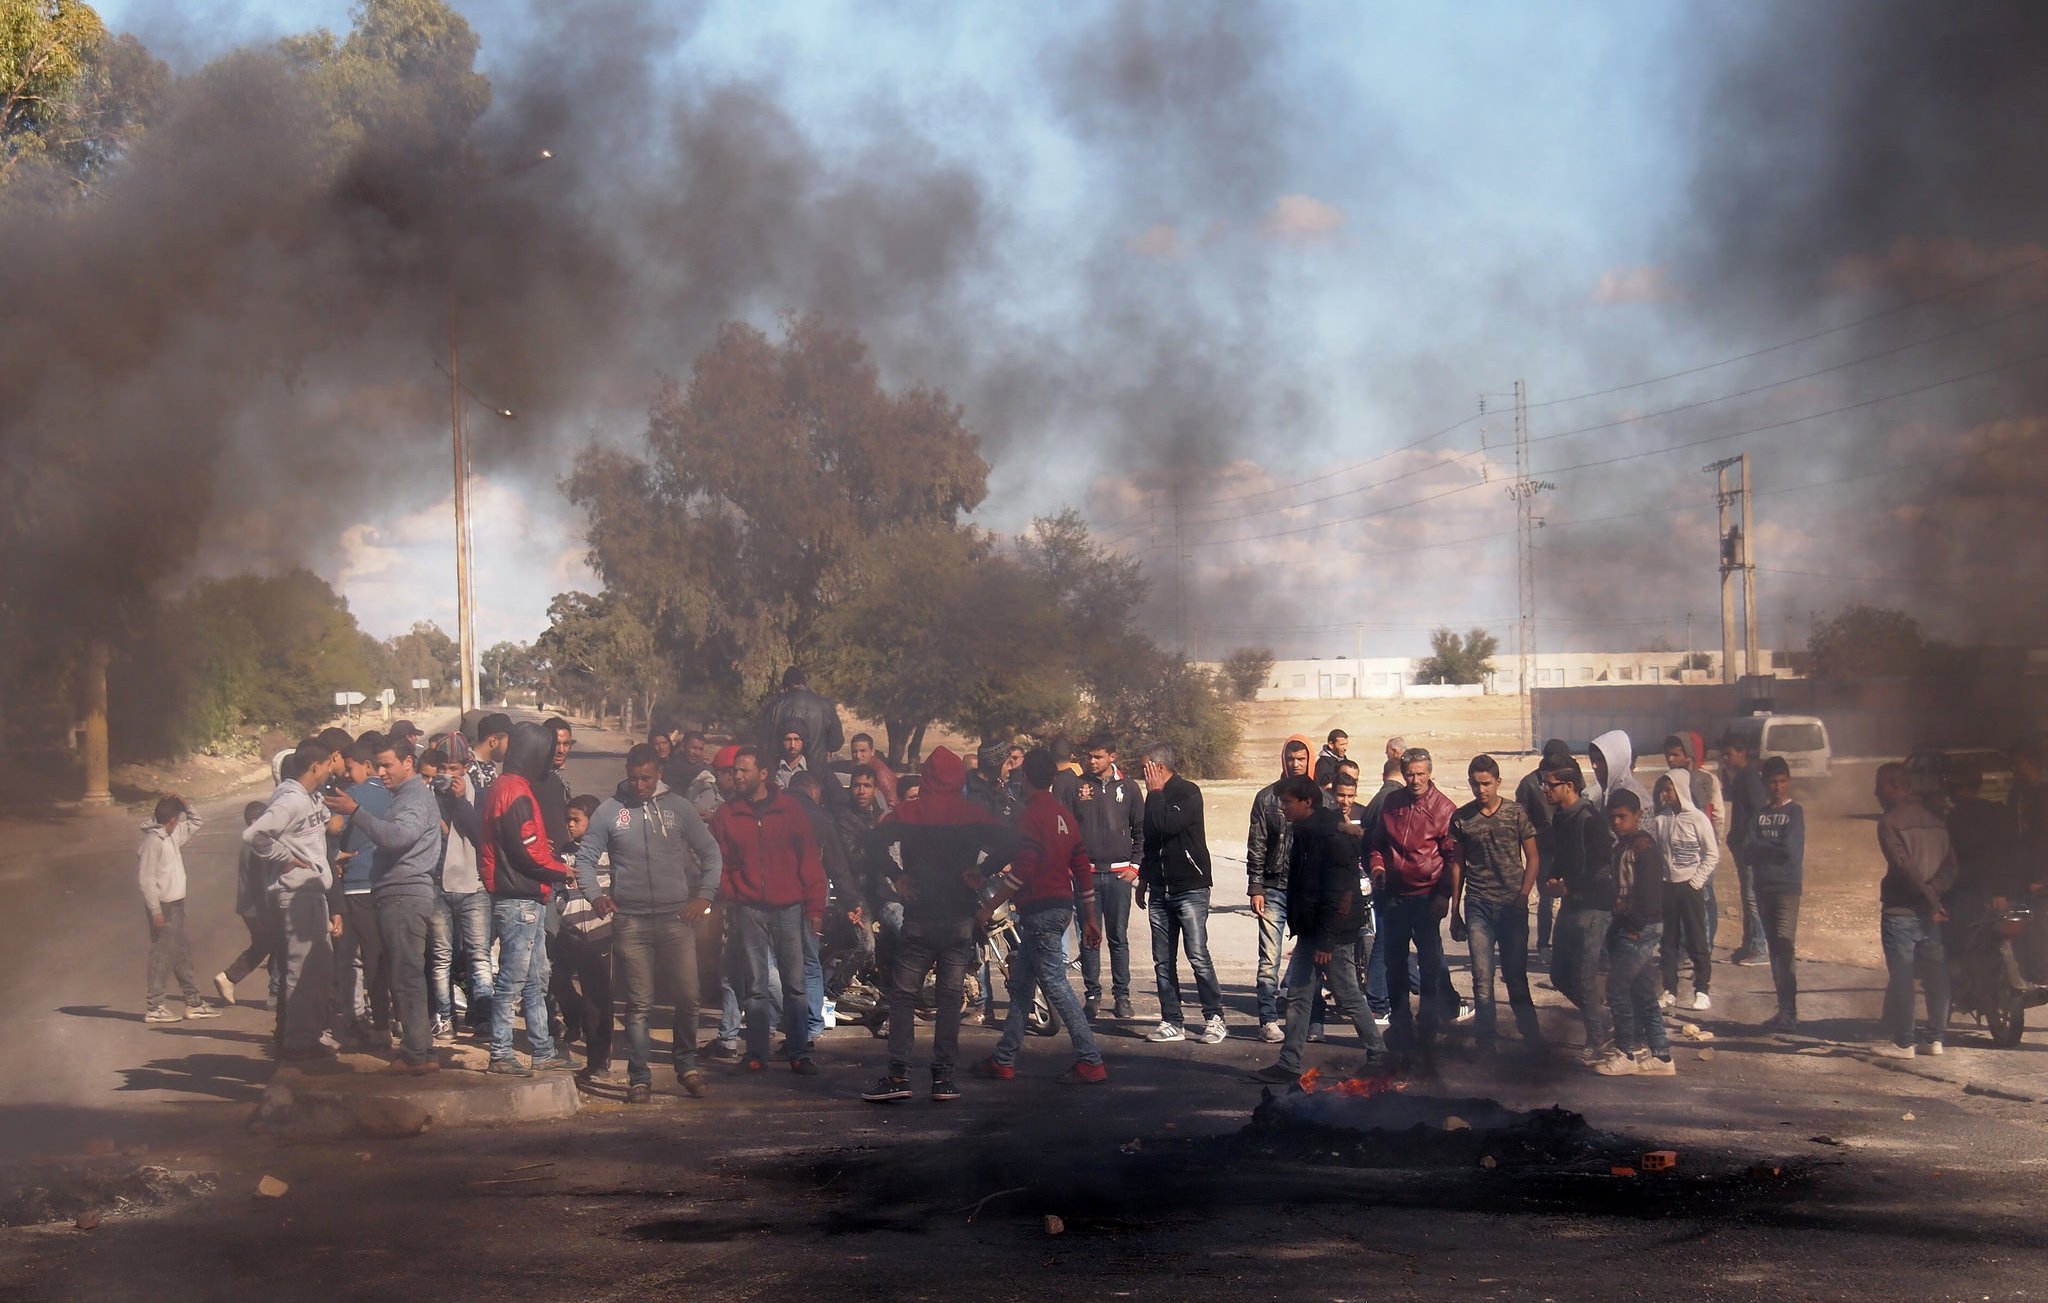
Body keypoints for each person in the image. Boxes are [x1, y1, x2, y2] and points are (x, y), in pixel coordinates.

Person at [862, 746, 1012, 1102]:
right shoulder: (973, 814)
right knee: (949, 998)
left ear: (927, 777)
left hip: (920, 916)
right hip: (959, 916)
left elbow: (869, 842)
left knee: (903, 997)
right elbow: (1013, 842)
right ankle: (943, 1078)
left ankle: (898, 1075)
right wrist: (983, 871)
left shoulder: (909, 812)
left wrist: (897, 876)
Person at [579, 746, 725, 1102]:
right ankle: (639, 1077)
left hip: (677, 919)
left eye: (646, 777)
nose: (640, 784)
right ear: (627, 773)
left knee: (689, 998)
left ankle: (686, 1067)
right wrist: (595, 895)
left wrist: (704, 895)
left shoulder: (679, 808)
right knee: (638, 1005)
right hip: (631, 922)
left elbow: (711, 853)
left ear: (658, 772)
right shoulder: (610, 811)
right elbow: (585, 858)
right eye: (634, 777)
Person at [971, 749, 1109, 1084]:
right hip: (1061, 907)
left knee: (1055, 984)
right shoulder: (1064, 815)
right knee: (1021, 984)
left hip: (1040, 909)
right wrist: (1089, 915)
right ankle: (1004, 1058)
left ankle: (1090, 1060)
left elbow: (1024, 868)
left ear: (1026, 778)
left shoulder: (1030, 816)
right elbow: (1081, 869)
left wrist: (990, 906)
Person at [1248, 776, 1386, 1085]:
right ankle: (1288, 1063)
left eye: (1287, 802)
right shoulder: (1309, 832)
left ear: (1307, 802)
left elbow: (1339, 895)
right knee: (1298, 995)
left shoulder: (1329, 838)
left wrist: (1325, 940)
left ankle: (1378, 1056)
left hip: (1330, 935)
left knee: (1348, 995)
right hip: (1314, 932)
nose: (1282, 808)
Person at [325, 737, 444, 1074]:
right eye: (378, 765)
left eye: (387, 765)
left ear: (408, 763)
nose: (381, 772)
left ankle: (416, 1055)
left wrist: (356, 813)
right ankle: (421, 1050)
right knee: (407, 975)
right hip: (399, 891)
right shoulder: (406, 796)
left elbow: (397, 837)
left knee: (406, 977)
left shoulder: (413, 797)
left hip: (405, 893)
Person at [710, 747, 827, 1075]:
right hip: (748, 909)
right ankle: (756, 1052)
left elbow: (810, 861)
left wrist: (815, 905)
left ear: (763, 773)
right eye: (735, 771)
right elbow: (716, 860)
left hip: (789, 909)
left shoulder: (790, 810)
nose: (737, 776)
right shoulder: (726, 814)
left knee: (794, 983)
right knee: (755, 985)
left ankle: (799, 1051)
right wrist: (731, 892)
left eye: (744, 770)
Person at [479, 722, 580, 1078]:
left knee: (537, 978)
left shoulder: (503, 787)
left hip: (521, 895)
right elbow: (529, 852)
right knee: (513, 980)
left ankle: (542, 1049)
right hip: (519, 896)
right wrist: (560, 870)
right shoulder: (517, 793)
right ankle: (500, 1052)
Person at [245, 741, 344, 1059]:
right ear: (314, 766)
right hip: (296, 893)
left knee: (318, 968)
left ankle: (309, 1034)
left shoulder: (309, 797)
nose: (331, 768)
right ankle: (298, 1041)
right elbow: (255, 835)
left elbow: (325, 824)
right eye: (327, 763)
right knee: (301, 969)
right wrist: (284, 857)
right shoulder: (290, 800)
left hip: (313, 892)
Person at [1368, 748, 1461, 1055]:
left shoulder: (1445, 809)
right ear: (1403, 773)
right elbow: (1376, 845)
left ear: (1430, 773)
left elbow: (1453, 859)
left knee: (1430, 964)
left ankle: (1429, 1024)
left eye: (1421, 774)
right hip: (1394, 896)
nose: (1416, 780)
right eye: (1410, 774)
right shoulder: (1392, 803)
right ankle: (1400, 1023)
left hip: (1426, 898)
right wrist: (1378, 868)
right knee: (1393, 963)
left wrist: (1444, 896)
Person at [1450, 755, 1542, 1052]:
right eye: (1475, 784)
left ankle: (1532, 1038)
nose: (1481, 790)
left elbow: (1534, 857)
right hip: (1478, 905)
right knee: (1481, 977)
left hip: (1511, 907)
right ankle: (1486, 1040)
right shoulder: (1462, 818)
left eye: (1486, 783)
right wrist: (1455, 911)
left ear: (1498, 782)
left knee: (1515, 977)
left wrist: (1523, 895)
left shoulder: (1516, 814)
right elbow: (1458, 866)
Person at [1139, 745, 1226, 1045]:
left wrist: (1156, 793)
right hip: (1160, 889)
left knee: (1198, 955)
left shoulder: (1187, 792)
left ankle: (1214, 1017)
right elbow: (1150, 839)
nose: (1144, 775)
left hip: (1190, 887)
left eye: (1146, 768)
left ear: (1159, 768)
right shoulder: (1152, 797)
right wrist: (1143, 880)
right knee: (1163, 960)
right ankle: (1172, 1020)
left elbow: (1167, 824)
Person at [1874, 762, 1957, 1058]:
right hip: (1929, 912)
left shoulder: (1889, 823)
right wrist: (1934, 894)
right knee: (1935, 974)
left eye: (1880, 786)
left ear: (1897, 787)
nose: (1875, 793)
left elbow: (1904, 868)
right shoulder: (1936, 821)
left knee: (1902, 975)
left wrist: (1927, 896)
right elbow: (1950, 866)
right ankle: (1935, 1038)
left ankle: (1904, 1041)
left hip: (1901, 910)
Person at [1540, 757, 1618, 1065]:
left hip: (1595, 907)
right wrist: (1553, 876)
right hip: (1571, 904)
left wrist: (1569, 886)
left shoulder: (1590, 819)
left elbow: (1602, 867)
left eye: (1550, 784)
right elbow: (1562, 855)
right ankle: (1603, 1018)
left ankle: (1597, 1041)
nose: (1544, 790)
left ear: (1569, 786)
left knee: (1586, 977)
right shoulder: (1561, 817)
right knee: (1559, 974)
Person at [1597, 791, 1675, 1076]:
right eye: (1613, 817)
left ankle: (1626, 1052)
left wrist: (1633, 928)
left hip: (1641, 929)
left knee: (1617, 988)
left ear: (1638, 815)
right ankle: (1662, 1056)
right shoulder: (1622, 847)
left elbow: (1651, 896)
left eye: (1623, 817)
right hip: (1627, 927)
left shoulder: (1644, 848)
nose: (1617, 822)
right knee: (1643, 992)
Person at [1068, 735, 1145, 1023]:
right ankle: (1092, 996)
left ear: (1112, 756)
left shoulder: (1129, 787)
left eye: (1098, 756)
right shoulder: (1078, 786)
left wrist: (1135, 867)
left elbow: (1141, 829)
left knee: (1118, 938)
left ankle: (1122, 996)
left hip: (1118, 875)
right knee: (1090, 938)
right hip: (1086, 874)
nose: (1092, 761)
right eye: (1089, 756)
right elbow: (1070, 828)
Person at [1247, 736, 1319, 1042]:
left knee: (1315, 957)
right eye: (1291, 758)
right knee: (1269, 958)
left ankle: (1313, 1022)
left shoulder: (1321, 800)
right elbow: (1257, 844)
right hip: (1275, 887)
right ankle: (1267, 1018)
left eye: (1301, 758)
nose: (1295, 763)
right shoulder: (1267, 798)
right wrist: (1256, 886)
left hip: (1308, 888)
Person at [424, 740, 492, 1040]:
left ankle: (483, 1017)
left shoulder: (480, 796)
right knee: (441, 957)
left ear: (466, 767)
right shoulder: (427, 799)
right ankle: (444, 1017)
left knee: (478, 955)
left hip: (473, 886)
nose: (447, 775)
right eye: (442, 769)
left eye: (454, 769)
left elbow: (481, 837)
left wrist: (461, 802)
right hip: (437, 886)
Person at [330, 737, 394, 1046]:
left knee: (364, 959)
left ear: (366, 766)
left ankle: (375, 1024)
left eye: (351, 767)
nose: (347, 773)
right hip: (388, 883)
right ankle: (396, 1020)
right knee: (387, 956)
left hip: (357, 885)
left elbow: (333, 830)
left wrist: (336, 855)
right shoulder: (397, 793)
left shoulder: (351, 795)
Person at [138, 795, 221, 1023]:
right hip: (164, 905)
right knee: (162, 955)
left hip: (175, 904)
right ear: (172, 820)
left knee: (181, 954)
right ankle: (155, 1006)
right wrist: (155, 911)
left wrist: (186, 805)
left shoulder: (170, 834)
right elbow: (146, 880)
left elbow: (196, 822)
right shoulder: (153, 841)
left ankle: (193, 1002)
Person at [1651, 771, 1717, 1014]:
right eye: (1664, 790)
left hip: (1690, 887)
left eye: (1670, 789)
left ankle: (1702, 990)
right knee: (1668, 941)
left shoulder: (1698, 819)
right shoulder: (1661, 820)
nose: (1666, 795)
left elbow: (1712, 854)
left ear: (1679, 789)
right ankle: (1670, 989)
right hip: (1667, 887)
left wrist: (1696, 882)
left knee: (1696, 938)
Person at [212, 800, 277, 1008]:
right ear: (256, 820)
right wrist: (269, 910)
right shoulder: (256, 844)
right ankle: (272, 991)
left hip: (252, 906)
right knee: (273, 944)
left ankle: (230, 978)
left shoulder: (250, 842)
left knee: (267, 945)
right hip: (258, 907)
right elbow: (260, 882)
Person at [1517, 740, 1574, 953]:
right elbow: (1522, 819)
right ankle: (1543, 944)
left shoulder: (1567, 779)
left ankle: (1561, 944)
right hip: (1544, 848)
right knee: (1546, 897)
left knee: (1568, 895)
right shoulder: (1529, 784)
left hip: (1567, 845)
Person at [1720, 733, 1771, 966]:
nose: (1725, 759)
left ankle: (1760, 947)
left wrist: (1748, 840)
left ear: (1742, 753)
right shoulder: (1740, 777)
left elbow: (1759, 812)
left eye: (1729, 754)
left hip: (1750, 848)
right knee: (1746, 896)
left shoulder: (1750, 777)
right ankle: (1748, 944)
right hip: (1742, 845)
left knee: (1752, 898)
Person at [759, 666, 844, 771]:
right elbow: (836, 743)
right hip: (816, 770)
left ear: (785, 687)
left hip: (784, 770)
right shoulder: (826, 705)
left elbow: (764, 744)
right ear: (804, 683)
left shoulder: (775, 706)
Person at [1588, 730, 1652, 813]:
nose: (1594, 766)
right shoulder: (1602, 793)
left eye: (1600, 760)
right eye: (1593, 760)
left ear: (1616, 761)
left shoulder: (1638, 798)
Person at [848, 734, 899, 806]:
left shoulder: (882, 774)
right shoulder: (862, 769)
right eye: (854, 752)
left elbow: (892, 803)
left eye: (863, 751)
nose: (858, 756)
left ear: (872, 751)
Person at [774, 725, 810, 792]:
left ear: (803, 742)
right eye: (788, 740)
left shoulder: (814, 769)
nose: (792, 745)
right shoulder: (772, 768)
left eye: (796, 739)